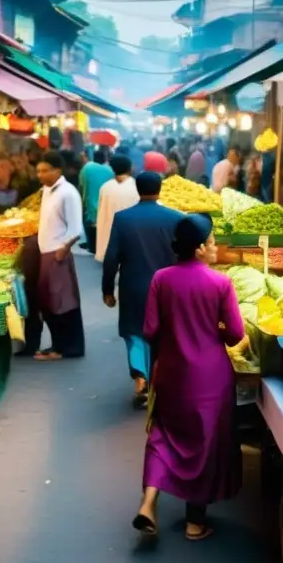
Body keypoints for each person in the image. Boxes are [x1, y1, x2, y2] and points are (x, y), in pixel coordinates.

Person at [133, 214, 244, 541]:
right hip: (210, 378)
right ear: (197, 249)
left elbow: (150, 330)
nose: (214, 248)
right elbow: (235, 334)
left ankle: (148, 503)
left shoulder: (161, 279)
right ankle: (195, 523)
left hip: (170, 372)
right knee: (204, 445)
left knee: (162, 437)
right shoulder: (220, 283)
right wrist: (216, 326)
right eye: (211, 243)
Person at [102, 172, 183, 406]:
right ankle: (161, 380)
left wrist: (108, 290)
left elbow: (111, 258)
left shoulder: (123, 219)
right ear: (160, 189)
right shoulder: (175, 218)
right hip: (167, 287)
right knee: (163, 333)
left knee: (134, 332)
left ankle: (140, 377)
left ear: (137, 189)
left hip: (133, 287)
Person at [32, 151, 86, 360]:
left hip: (57, 254)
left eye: (44, 170)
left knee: (63, 303)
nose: (40, 175)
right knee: (48, 303)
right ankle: (58, 345)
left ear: (57, 171)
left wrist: (62, 250)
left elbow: (75, 229)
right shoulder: (47, 190)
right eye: (38, 170)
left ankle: (68, 347)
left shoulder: (68, 192)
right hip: (45, 252)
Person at [95, 155, 140, 262]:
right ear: (129, 169)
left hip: (109, 235)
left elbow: (101, 212)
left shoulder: (105, 187)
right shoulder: (136, 186)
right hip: (131, 235)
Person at [79, 148, 114, 253]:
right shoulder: (110, 170)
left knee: (90, 224)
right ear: (105, 158)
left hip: (90, 202)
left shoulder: (87, 168)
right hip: (106, 203)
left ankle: (92, 245)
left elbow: (81, 185)